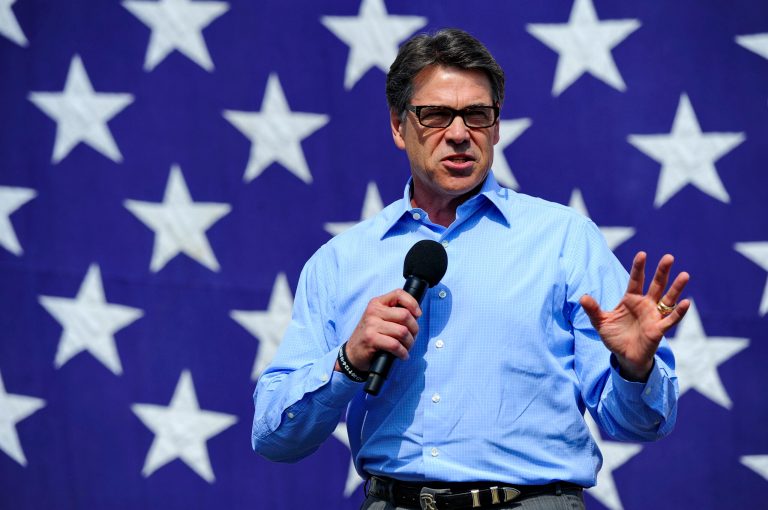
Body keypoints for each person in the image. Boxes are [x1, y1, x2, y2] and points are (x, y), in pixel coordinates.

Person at [251, 28, 689, 510]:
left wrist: (633, 367)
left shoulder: (564, 240)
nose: (458, 133)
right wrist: (347, 362)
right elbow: (275, 438)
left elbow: (639, 423)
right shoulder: (339, 262)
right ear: (399, 127)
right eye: (435, 115)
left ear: (496, 127)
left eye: (476, 115)